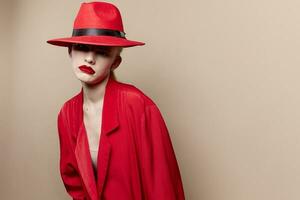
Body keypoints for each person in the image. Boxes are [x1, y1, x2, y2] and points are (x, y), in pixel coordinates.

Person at [47, 2, 185, 200]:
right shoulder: (67, 113)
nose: (89, 58)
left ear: (115, 62)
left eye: (101, 52)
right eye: (81, 47)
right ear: (69, 50)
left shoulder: (137, 105)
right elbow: (74, 183)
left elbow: (162, 185)